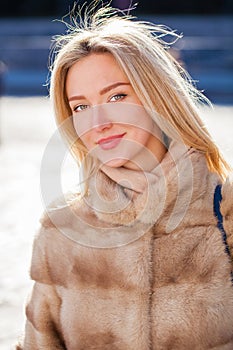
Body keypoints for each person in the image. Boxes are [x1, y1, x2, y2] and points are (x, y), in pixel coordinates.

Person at [16, 4, 233, 350]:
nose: (98, 123)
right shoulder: (61, 227)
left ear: (155, 97)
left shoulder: (226, 210)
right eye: (81, 107)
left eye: (117, 96)